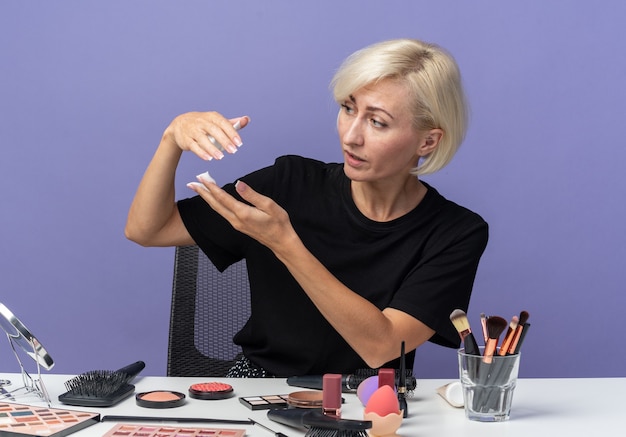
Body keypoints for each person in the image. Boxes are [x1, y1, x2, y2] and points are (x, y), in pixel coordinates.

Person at [125, 38, 488, 378]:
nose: (350, 136)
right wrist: (170, 138)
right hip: (260, 388)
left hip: (369, 399)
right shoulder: (290, 182)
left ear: (428, 141)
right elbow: (148, 230)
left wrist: (285, 244)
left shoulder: (455, 232)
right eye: (348, 108)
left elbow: (381, 347)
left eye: (377, 122)